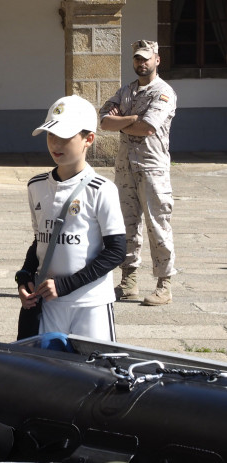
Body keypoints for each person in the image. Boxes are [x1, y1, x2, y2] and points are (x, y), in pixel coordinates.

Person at [17, 95, 126, 341]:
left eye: (65, 137)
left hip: (90, 304)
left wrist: (65, 286)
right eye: (50, 135)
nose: (56, 144)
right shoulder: (36, 185)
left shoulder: (102, 189)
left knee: (97, 373)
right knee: (42, 370)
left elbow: (116, 251)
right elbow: (41, 242)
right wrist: (24, 278)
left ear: (88, 139)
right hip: (49, 304)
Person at [100, 40, 178, 306]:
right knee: (125, 225)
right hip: (125, 168)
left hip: (152, 168)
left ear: (157, 60)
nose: (141, 63)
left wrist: (123, 120)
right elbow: (103, 120)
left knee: (157, 225)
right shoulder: (127, 91)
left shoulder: (164, 92)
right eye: (137, 59)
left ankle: (164, 284)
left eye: (146, 58)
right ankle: (128, 281)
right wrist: (132, 119)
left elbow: (147, 127)